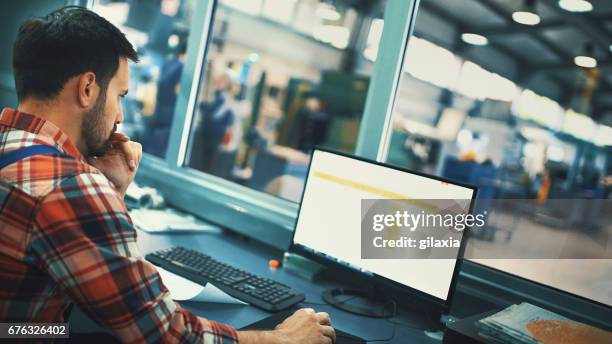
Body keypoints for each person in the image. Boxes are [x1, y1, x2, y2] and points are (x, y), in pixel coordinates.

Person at [0, 6, 335, 344]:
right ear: (87, 88)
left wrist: (111, 191)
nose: (118, 117)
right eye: (120, 96)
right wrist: (281, 339)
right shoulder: (71, 187)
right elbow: (168, 335)